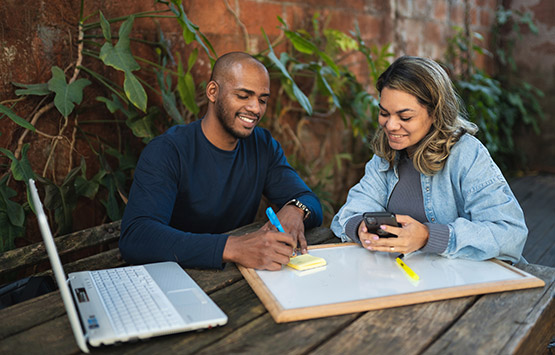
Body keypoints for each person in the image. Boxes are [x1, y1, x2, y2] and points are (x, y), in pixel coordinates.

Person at [120, 52, 323, 271]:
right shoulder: (168, 151)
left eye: (262, 100)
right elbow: (137, 237)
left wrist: (295, 209)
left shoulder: (262, 145)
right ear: (213, 92)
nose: (255, 108)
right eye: (243, 96)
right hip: (176, 275)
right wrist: (233, 248)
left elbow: (309, 201)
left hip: (240, 277)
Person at [330, 56, 527, 263]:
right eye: (384, 113)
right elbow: (349, 214)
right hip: (408, 281)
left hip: (470, 283)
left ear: (435, 114)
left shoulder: (466, 154)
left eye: (405, 117)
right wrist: (360, 228)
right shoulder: (385, 155)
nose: (390, 126)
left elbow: (509, 233)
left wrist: (428, 236)